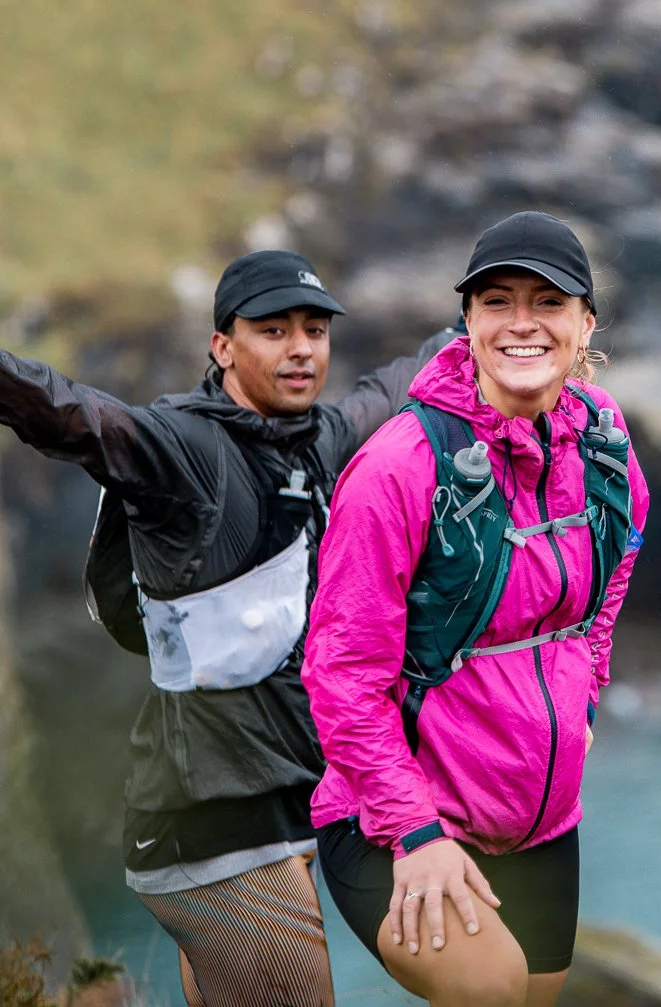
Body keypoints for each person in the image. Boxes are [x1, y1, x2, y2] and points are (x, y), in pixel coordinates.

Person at [0, 248, 457, 1007]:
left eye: (314, 328)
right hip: (207, 819)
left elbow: (394, 390)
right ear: (223, 345)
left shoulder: (322, 439)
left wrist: (477, 331)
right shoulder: (181, 449)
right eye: (273, 329)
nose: (301, 346)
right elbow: (69, 409)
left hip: (280, 802)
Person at [302, 211, 650, 1007]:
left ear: (585, 322)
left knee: (535, 995)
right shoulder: (400, 466)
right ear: (466, 321)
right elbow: (341, 673)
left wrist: (588, 684)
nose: (521, 322)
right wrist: (414, 832)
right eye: (496, 301)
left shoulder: (599, 436)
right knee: (488, 988)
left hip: (542, 818)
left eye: (548, 301)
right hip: (396, 819)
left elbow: (623, 542)